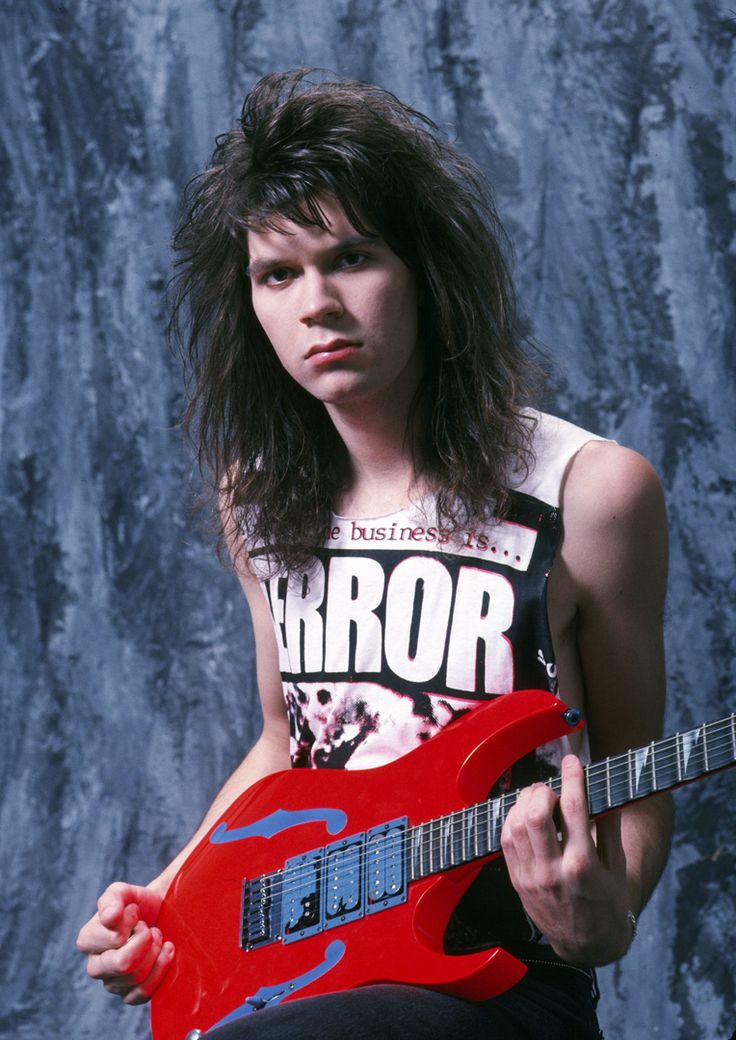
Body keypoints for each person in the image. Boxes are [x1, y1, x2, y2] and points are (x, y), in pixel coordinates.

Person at [76, 69, 672, 1039]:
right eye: (278, 272)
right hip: (302, 961)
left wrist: (602, 917)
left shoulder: (590, 491)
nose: (316, 303)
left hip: (494, 977)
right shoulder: (258, 495)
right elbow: (284, 738)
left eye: (351, 256)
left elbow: (633, 765)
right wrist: (171, 899)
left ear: (424, 269)